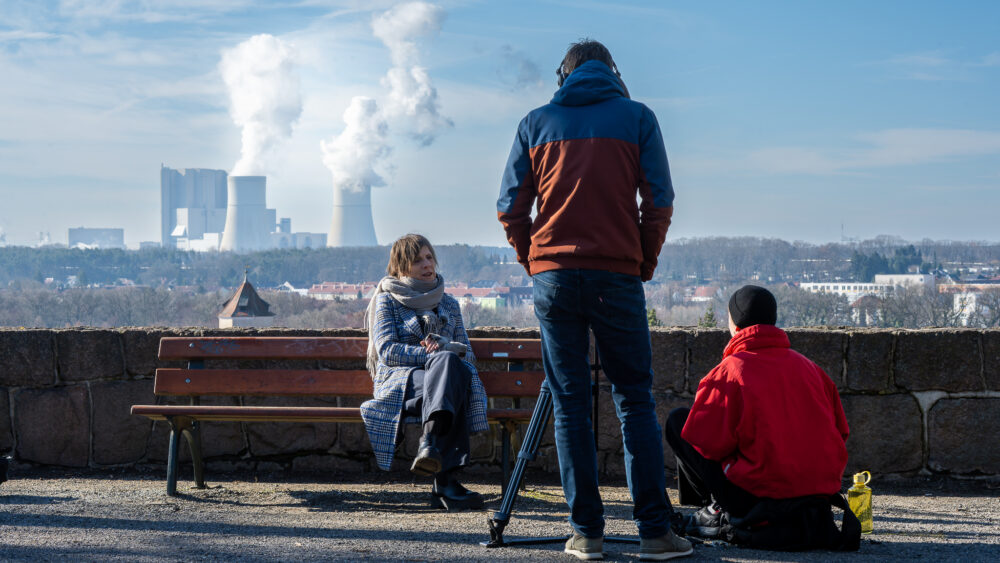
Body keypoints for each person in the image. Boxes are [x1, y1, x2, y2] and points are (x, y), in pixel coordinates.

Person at [497, 39, 691, 561]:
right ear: (614, 72)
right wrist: (642, 262)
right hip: (617, 276)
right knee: (634, 401)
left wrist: (534, 262)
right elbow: (660, 201)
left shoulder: (535, 122)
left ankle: (586, 533)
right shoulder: (638, 118)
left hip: (554, 278)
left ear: (563, 76)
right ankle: (654, 532)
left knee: (570, 405)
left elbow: (510, 209)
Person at [663, 285, 850, 538]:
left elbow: (707, 442)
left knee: (679, 422)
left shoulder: (730, 370)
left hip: (757, 498)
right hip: (817, 498)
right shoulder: (812, 369)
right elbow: (841, 432)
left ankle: (717, 507)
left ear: (735, 324)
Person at [360, 233, 488, 511]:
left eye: (429, 258)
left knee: (448, 370)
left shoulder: (450, 304)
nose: (427, 265)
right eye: (418, 260)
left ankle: (429, 444)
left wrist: (444, 347)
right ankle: (447, 484)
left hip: (443, 382)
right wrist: (430, 354)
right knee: (447, 378)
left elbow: (468, 353)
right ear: (400, 267)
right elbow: (387, 352)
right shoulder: (387, 301)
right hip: (404, 383)